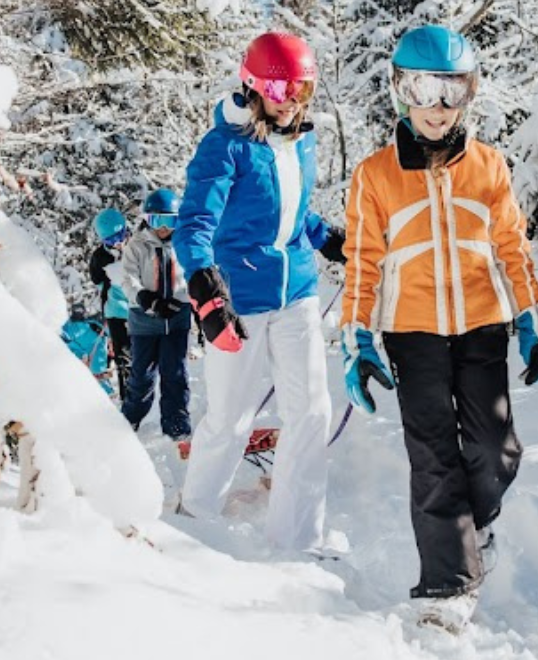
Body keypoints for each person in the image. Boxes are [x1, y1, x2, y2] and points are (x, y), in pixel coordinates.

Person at [340, 23, 538, 623]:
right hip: (413, 334)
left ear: (470, 92)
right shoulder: (375, 175)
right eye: (422, 89)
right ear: (399, 91)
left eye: (451, 91)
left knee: (494, 449)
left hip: (482, 324)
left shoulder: (488, 166)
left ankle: (475, 529)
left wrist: (531, 318)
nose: (437, 107)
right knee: (433, 455)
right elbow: (362, 262)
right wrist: (358, 339)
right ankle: (447, 589)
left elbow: (512, 248)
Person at [174, 31, 346, 553]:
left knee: (311, 413)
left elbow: (292, 212)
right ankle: (193, 522)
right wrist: (205, 288)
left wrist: (329, 239)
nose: (290, 100)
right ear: (252, 87)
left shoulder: (302, 140)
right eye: (277, 89)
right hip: (240, 298)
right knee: (230, 417)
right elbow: (194, 223)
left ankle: (297, 539)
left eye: (300, 89)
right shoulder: (226, 145)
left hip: (297, 291)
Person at [119, 189, 193, 440]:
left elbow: (193, 274)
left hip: (176, 319)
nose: (162, 228)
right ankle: (130, 418)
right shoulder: (136, 245)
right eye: (156, 220)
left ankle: (176, 422)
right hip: (144, 323)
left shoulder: (183, 244)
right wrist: (146, 299)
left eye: (169, 221)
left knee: (175, 373)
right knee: (142, 376)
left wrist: (188, 300)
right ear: (147, 220)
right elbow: (128, 279)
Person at [89, 207, 132, 400]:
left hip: (140, 309)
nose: (118, 243)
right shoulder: (100, 257)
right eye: (111, 240)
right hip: (116, 312)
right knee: (124, 357)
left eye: (120, 236)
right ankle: (128, 399)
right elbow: (97, 280)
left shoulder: (137, 246)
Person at [60, 303, 113, 395]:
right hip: (80, 351)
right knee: (80, 374)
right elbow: (64, 338)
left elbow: (107, 330)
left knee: (97, 373)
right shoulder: (69, 327)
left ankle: (107, 395)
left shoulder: (92, 323)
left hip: (94, 349)